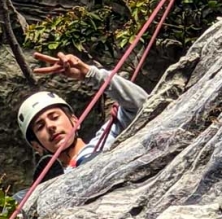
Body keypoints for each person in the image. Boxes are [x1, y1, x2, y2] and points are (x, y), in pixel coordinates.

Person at [17, 52, 149, 173]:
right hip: (60, 186)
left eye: (55, 117)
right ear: (36, 146)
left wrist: (88, 73)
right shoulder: (49, 185)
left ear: (75, 120)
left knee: (90, 159)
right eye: (40, 127)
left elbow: (140, 104)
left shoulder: (108, 137)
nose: (50, 126)